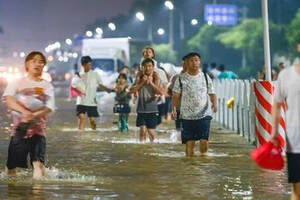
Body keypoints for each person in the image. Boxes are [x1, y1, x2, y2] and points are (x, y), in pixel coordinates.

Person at [2, 51, 55, 180]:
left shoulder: (46, 85)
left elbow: (50, 107)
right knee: (11, 168)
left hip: (39, 132)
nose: (38, 64)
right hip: (19, 130)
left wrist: (35, 115)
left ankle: (37, 194)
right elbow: (8, 99)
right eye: (34, 61)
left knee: (38, 165)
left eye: (41, 61)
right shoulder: (17, 82)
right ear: (27, 64)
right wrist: (24, 112)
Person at [269, 40, 300, 200]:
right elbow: (277, 104)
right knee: (297, 187)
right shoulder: (286, 75)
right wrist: (274, 132)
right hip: (295, 138)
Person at [172, 52, 217, 157]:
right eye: (191, 60)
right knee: (189, 143)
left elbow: (212, 92)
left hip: (204, 114)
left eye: (196, 60)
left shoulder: (205, 77)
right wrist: (173, 109)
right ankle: (190, 168)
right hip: (187, 116)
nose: (194, 63)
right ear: (186, 63)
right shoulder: (180, 78)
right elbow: (176, 96)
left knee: (204, 141)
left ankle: (203, 162)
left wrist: (215, 104)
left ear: (199, 62)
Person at [73, 56, 113, 131]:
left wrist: (108, 90)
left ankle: (93, 131)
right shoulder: (78, 75)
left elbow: (100, 85)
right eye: (87, 65)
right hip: (81, 101)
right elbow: (73, 86)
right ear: (83, 65)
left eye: (90, 65)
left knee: (92, 120)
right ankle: (80, 135)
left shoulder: (95, 74)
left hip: (91, 101)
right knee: (81, 117)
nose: (89, 66)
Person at [130, 58, 162, 142]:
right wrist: (142, 82)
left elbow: (159, 92)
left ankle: (153, 147)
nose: (147, 68)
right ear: (142, 67)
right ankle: (142, 150)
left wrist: (151, 83)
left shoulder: (156, 76)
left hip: (152, 109)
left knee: (151, 132)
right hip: (141, 109)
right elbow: (132, 90)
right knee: (142, 131)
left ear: (153, 67)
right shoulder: (139, 76)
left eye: (149, 66)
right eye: (145, 66)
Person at [140, 46, 168, 125]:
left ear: (153, 55)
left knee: (156, 124)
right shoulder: (140, 72)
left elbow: (165, 85)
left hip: (157, 102)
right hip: (143, 102)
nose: (147, 54)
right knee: (144, 125)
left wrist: (159, 94)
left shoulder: (160, 71)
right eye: (145, 52)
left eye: (149, 52)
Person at [168, 55, 188, 134]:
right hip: (178, 108)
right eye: (184, 63)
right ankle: (180, 143)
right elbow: (169, 90)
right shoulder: (176, 77)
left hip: (191, 109)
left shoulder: (196, 77)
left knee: (188, 129)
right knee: (178, 129)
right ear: (182, 64)